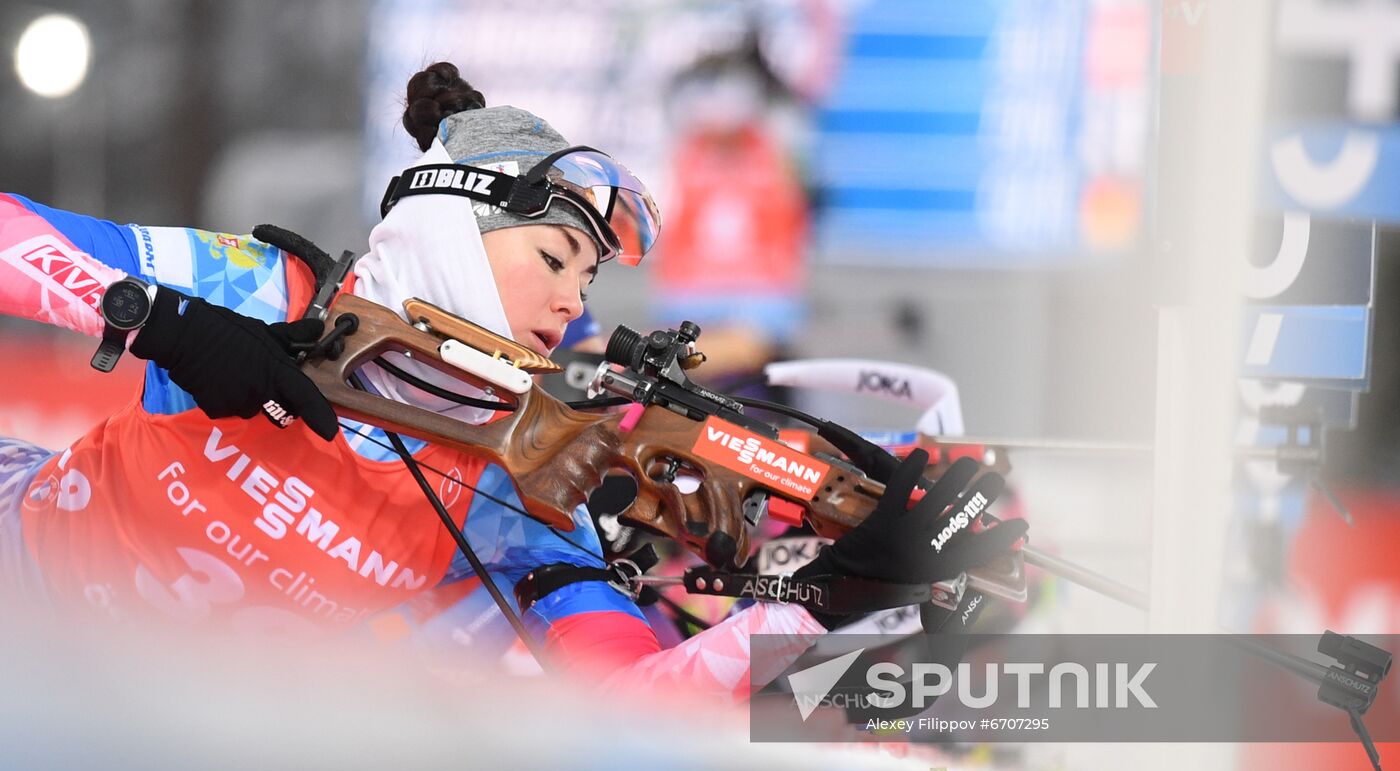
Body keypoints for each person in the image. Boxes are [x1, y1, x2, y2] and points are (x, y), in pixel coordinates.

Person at [0, 62, 1024, 698]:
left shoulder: (528, 475)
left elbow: (630, 700)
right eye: (553, 260)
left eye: (585, 281)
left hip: (150, 711)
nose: (571, 307)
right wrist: (156, 317)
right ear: (451, 220)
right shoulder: (280, 286)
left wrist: (821, 604)